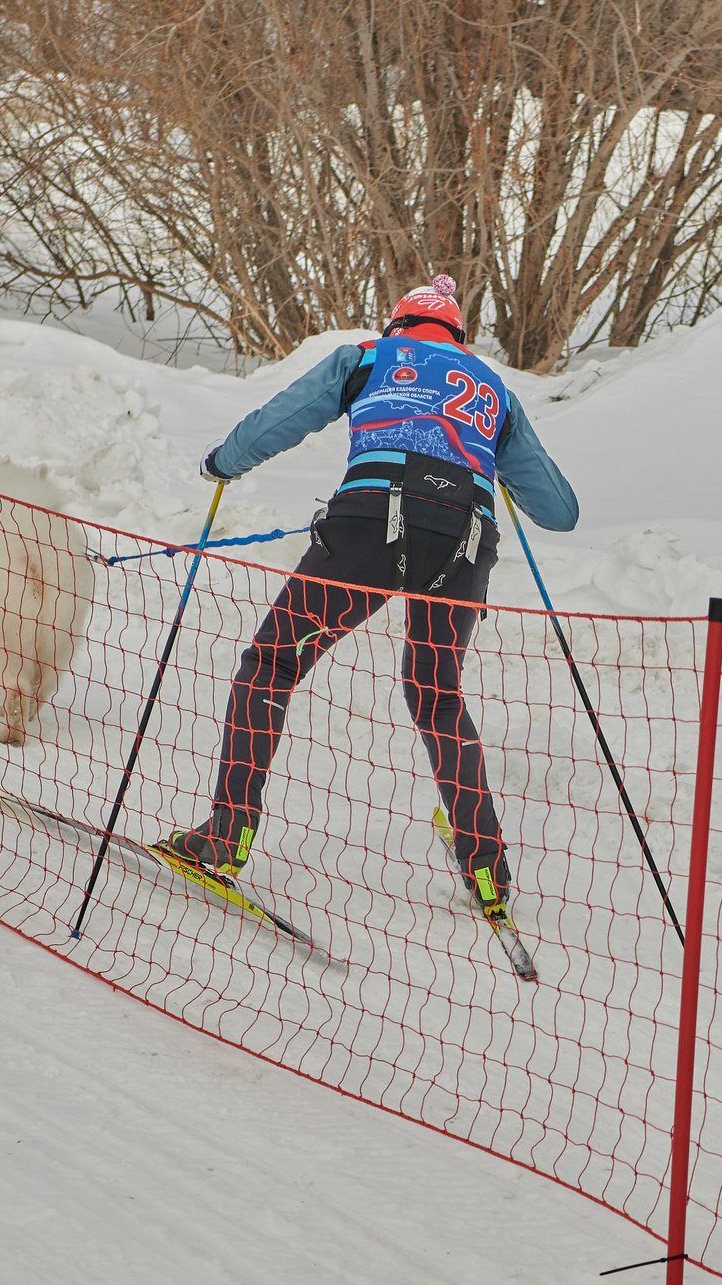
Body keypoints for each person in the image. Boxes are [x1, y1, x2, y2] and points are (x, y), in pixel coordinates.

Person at [154, 276, 578, 923]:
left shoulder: (370, 357)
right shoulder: (493, 389)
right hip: (462, 541)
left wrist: (223, 462)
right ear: (457, 336)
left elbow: (283, 419)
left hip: (369, 524)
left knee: (272, 665)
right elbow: (559, 510)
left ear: (398, 324)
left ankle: (226, 834)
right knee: (437, 697)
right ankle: (487, 869)